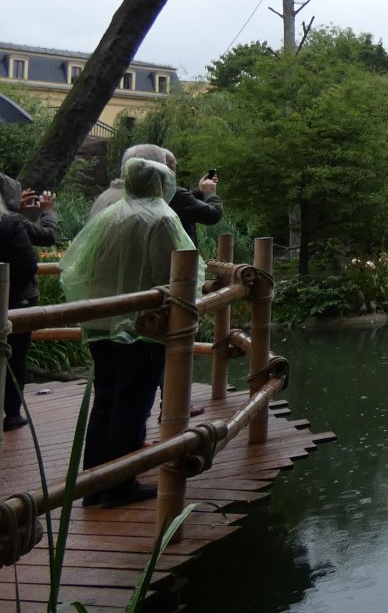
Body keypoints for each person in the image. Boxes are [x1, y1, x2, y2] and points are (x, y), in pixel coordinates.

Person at [63, 156, 194, 507]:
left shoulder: (110, 214)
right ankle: (120, 483)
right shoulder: (162, 218)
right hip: (140, 325)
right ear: (161, 183)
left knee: (106, 398)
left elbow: (77, 264)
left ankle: (94, 482)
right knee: (132, 402)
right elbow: (173, 274)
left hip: (100, 323)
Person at [91, 144, 223, 244]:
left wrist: (200, 191)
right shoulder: (149, 206)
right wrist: (210, 192)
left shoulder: (105, 197)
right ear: (155, 170)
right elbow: (212, 215)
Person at [0, 196, 40, 432]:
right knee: (15, 358)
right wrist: (10, 292)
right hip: (9, 304)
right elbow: (28, 263)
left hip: (9, 300)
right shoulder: (9, 224)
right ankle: (12, 412)